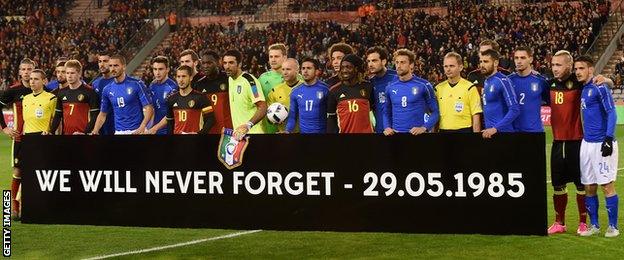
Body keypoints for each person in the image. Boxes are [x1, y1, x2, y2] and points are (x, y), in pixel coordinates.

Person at [546, 50, 614, 235]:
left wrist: (606, 80)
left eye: (559, 65)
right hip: (558, 142)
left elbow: (604, 83)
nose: (555, 68)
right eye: (553, 65)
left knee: (581, 184)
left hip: (578, 142)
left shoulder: (579, 82)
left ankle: (583, 222)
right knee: (557, 185)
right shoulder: (548, 84)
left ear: (569, 66)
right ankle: (559, 222)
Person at [575, 55, 619, 237]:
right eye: (576, 69)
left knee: (607, 185)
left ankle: (613, 227)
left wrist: (608, 138)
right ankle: (594, 225)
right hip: (587, 144)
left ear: (591, 70)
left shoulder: (599, 87)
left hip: (602, 142)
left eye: (581, 68)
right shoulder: (583, 88)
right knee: (589, 186)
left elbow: (612, 112)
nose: (578, 72)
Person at [0, 58, 34, 220]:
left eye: (29, 69)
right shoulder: (14, 91)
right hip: (20, 139)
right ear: (20, 72)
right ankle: (14, 207)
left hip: (38, 139)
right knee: (18, 171)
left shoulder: (42, 90)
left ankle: (31, 205)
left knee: (36, 172)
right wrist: (5, 127)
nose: (27, 72)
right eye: (24, 69)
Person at [90, 54, 153, 135]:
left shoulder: (136, 84)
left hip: (137, 130)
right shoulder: (107, 89)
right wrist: (95, 130)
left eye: (116, 66)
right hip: (119, 131)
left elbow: (149, 108)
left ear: (124, 67)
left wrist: (143, 126)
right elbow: (102, 114)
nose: (112, 69)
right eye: (110, 66)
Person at [383, 49, 439, 136]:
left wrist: (424, 127)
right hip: (395, 134)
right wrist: (387, 127)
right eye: (397, 62)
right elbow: (386, 111)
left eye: (402, 62)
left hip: (416, 135)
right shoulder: (390, 87)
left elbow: (436, 111)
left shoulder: (424, 85)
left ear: (411, 65)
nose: (398, 65)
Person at [223, 49, 267, 140]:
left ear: (239, 64)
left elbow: (263, 107)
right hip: (239, 136)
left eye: (231, 63)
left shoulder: (250, 81)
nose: (227, 66)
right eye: (225, 63)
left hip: (253, 134)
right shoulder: (230, 79)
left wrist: (248, 125)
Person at [435, 52, 482, 133]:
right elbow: (433, 115)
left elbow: (476, 116)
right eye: (445, 66)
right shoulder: (438, 89)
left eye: (451, 66)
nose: (448, 69)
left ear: (460, 67)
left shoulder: (470, 88)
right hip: (443, 131)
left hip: (465, 130)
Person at [327, 54, 375, 133]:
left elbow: (374, 111)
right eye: (342, 67)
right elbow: (331, 119)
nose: (344, 70)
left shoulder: (368, 87)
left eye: (348, 67)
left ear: (356, 69)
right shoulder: (334, 90)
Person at [50, 60, 100, 134]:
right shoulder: (62, 92)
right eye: (67, 73)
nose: (69, 76)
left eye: (72, 73)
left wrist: (85, 133)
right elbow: (57, 116)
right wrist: (51, 132)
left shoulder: (89, 92)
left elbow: (95, 116)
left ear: (79, 74)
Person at [162, 66, 215, 134]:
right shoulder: (171, 99)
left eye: (184, 76)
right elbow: (170, 123)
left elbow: (211, 119)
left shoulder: (201, 97)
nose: (181, 80)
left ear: (190, 78)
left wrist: (199, 134)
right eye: (178, 76)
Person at [479, 49, 520, 139]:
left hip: (503, 134)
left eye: (486, 61)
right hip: (489, 134)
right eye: (480, 61)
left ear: (495, 63)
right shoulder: (487, 81)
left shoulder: (502, 81)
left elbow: (515, 109)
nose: (482, 65)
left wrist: (495, 128)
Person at [508, 47, 549, 133]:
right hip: (513, 132)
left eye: (523, 58)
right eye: (516, 58)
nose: (519, 61)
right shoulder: (508, 81)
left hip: (535, 132)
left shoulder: (540, 81)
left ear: (530, 59)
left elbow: (550, 101)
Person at [285, 57, 328, 134]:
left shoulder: (325, 89)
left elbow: (331, 115)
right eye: (303, 68)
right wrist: (287, 131)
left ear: (317, 71)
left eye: (309, 68)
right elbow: (292, 117)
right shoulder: (295, 92)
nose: (305, 71)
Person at [193, 50, 232, 134]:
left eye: (209, 63)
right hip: (208, 131)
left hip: (228, 130)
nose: (205, 66)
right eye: (203, 63)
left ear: (218, 62)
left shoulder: (228, 79)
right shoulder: (199, 84)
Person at [366, 46, 398, 133]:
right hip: (380, 130)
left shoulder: (397, 78)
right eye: (368, 61)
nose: (370, 64)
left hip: (398, 129)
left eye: (374, 60)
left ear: (383, 61)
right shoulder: (370, 83)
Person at [259, 43, 289, 134]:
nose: (273, 59)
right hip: (268, 128)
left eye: (276, 56)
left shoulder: (296, 77)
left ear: (284, 58)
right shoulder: (262, 78)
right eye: (271, 57)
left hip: (289, 127)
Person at [267, 58, 303, 133]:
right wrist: (274, 120)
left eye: (288, 69)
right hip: (283, 133)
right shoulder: (275, 91)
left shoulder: (306, 87)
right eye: (283, 69)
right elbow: (269, 115)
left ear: (297, 71)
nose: (285, 72)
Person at [146, 56, 177, 135]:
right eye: (155, 69)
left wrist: (154, 128)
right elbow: (153, 108)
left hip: (168, 130)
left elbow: (172, 113)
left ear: (167, 70)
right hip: (155, 129)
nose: (157, 72)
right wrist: (148, 126)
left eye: (160, 69)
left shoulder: (172, 88)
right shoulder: (152, 85)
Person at [22, 69, 57, 135]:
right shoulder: (26, 99)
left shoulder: (51, 98)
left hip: (43, 136)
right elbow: (26, 122)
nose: (32, 82)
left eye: (36, 79)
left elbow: (57, 121)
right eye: (31, 79)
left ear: (43, 81)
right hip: (27, 137)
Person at [91, 52, 116, 135]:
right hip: (100, 124)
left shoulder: (117, 81)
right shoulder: (95, 83)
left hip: (116, 123)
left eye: (105, 61)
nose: (102, 64)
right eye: (99, 61)